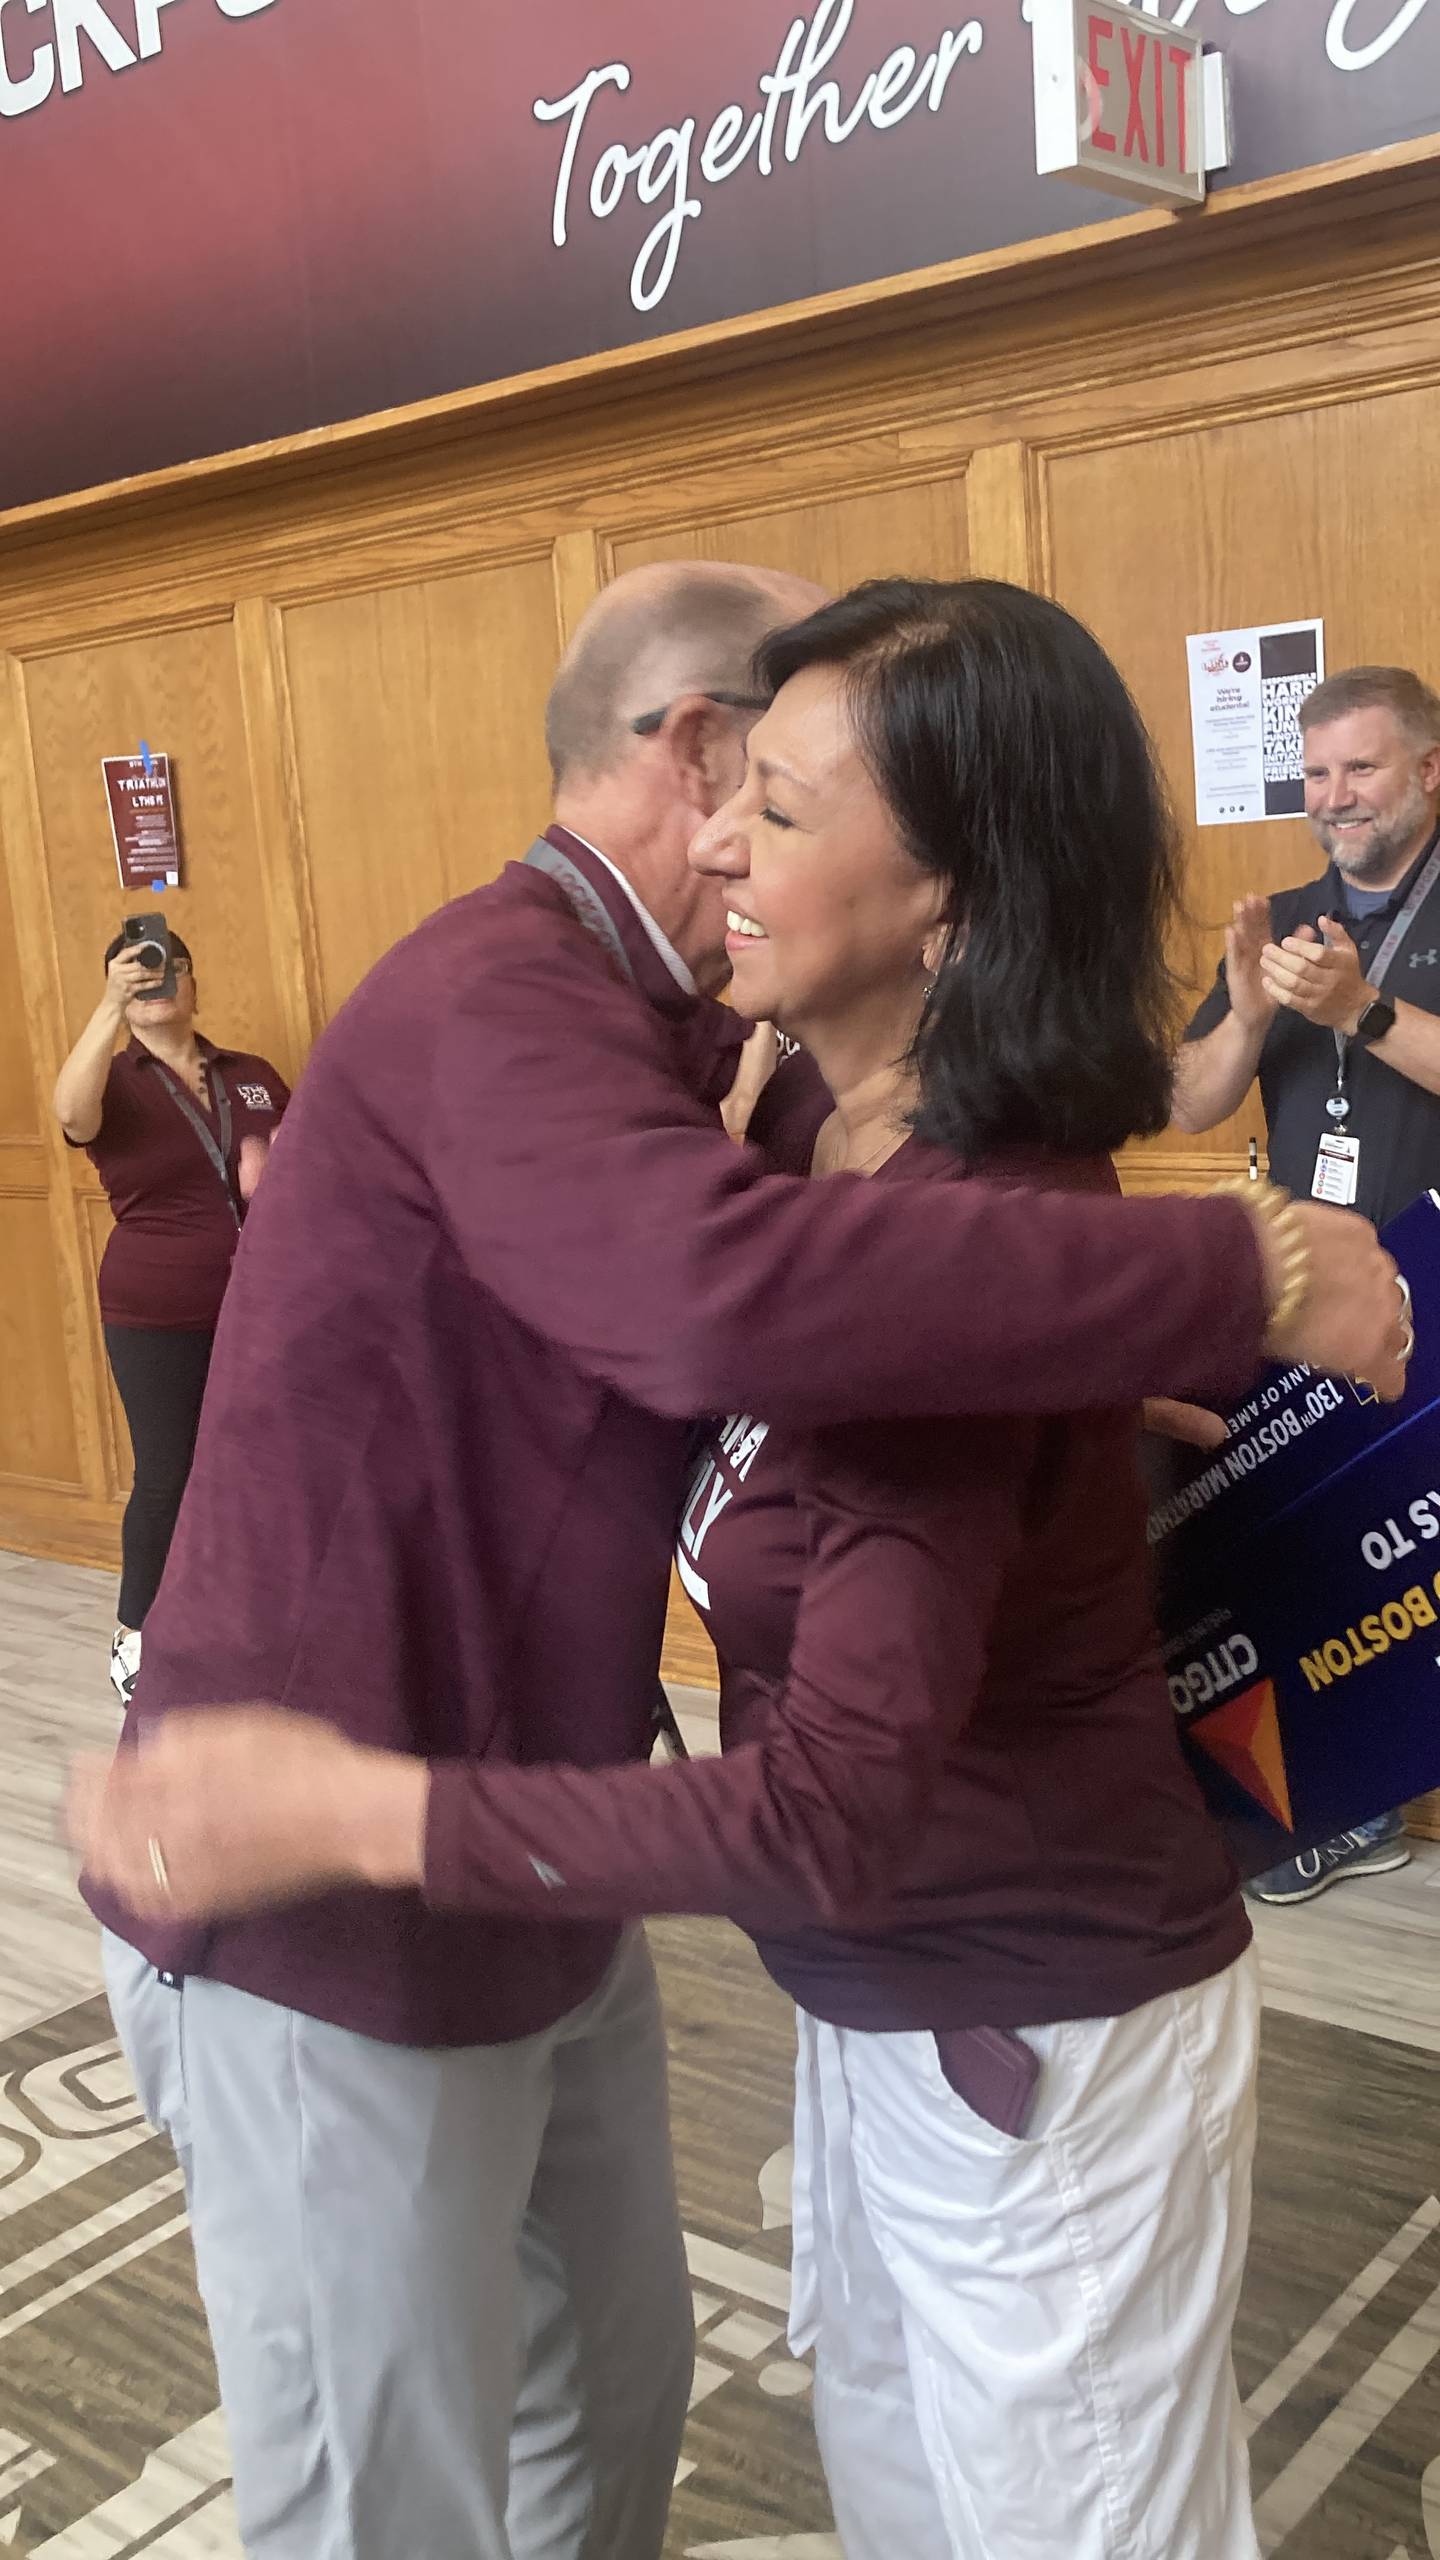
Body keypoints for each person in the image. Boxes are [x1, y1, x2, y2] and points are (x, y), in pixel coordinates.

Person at [73, 563, 1404, 2560]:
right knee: (398, 2488)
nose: (735, 847)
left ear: (936, 878)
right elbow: (726, 1303)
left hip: (851, 1939)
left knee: (604, 2406)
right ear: (690, 754)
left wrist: (1100, 1373)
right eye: (747, 792)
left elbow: (842, 1371)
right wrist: (1239, 1266)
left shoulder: (820, 1118)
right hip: (343, 1882)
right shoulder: (559, 1016)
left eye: (790, 807)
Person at [1175, 662, 1440, 1904]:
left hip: (1433, 1275)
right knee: (1328, 1551)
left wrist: (1368, 1010)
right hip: (1312, 1298)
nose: (1336, 796)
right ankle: (1340, 1798)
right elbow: (1186, 1106)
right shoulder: (1280, 916)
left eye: (1363, 768)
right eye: (1318, 771)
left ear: (1428, 770)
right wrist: (1239, 1013)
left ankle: (1385, 1792)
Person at [52, 928, 288, 1706]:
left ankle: (241, 1616)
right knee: (169, 1474)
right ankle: (135, 1636)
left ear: (193, 983)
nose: (158, 982)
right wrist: (107, 1009)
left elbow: (302, 1158)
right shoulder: (114, 1079)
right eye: (139, 973)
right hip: (155, 1311)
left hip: (259, 1306)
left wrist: (277, 1171)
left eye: (171, 969)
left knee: (260, 1464)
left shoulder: (251, 1075)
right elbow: (70, 1115)